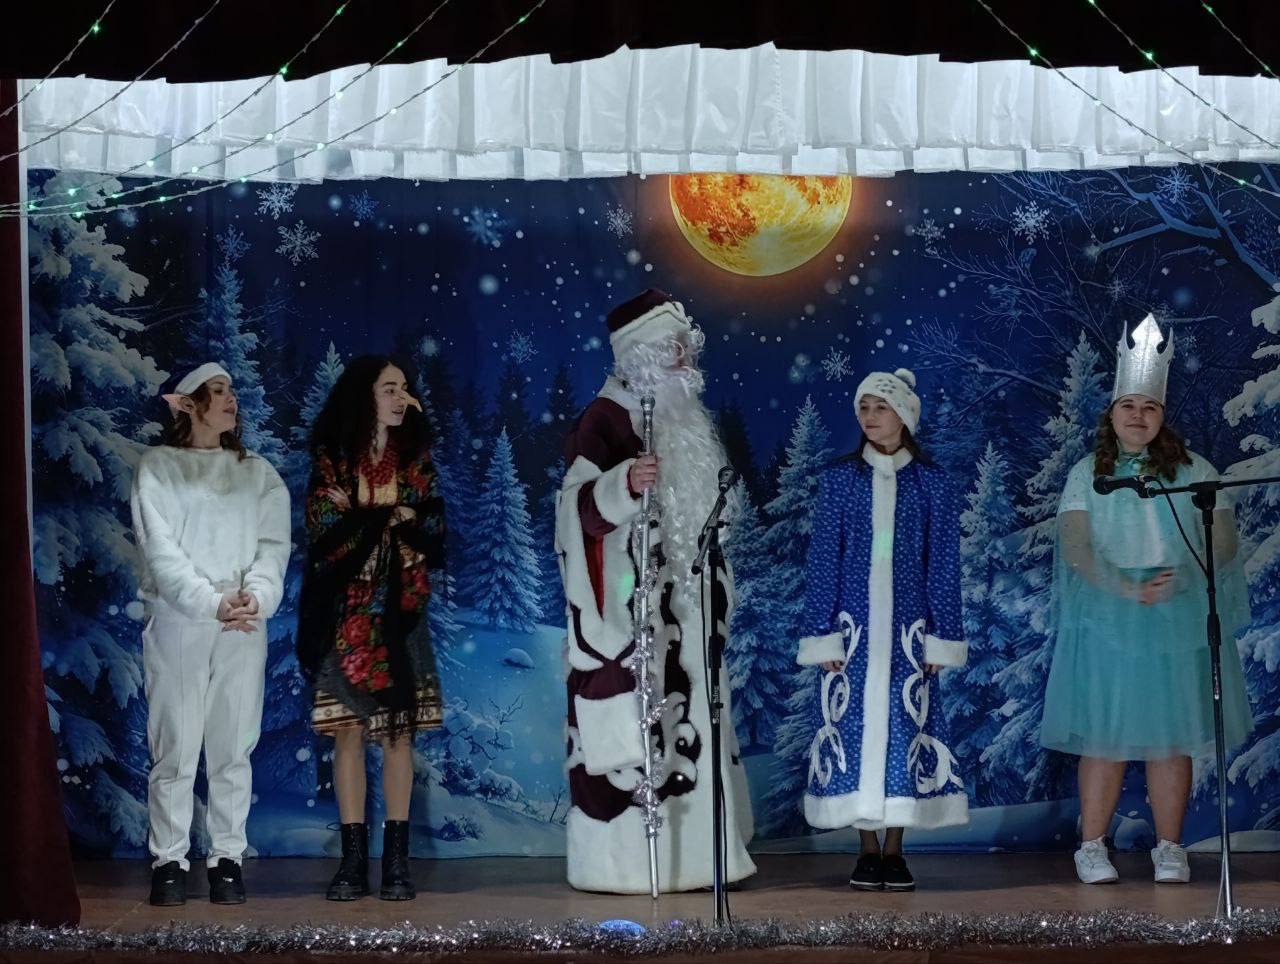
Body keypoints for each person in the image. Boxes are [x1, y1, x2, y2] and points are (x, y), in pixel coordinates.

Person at [554, 288, 756, 893]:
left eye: (687, 348)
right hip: (631, 616)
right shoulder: (604, 419)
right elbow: (572, 514)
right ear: (640, 354)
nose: (686, 360)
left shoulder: (681, 418)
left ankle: (701, 858)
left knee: (693, 727)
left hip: (687, 614)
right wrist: (622, 485)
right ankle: (626, 867)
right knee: (638, 738)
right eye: (674, 349)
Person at [1041, 315, 1255, 885]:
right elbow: (1077, 547)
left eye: (1150, 407)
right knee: (1104, 737)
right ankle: (1092, 846)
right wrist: (1124, 587)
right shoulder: (1088, 474)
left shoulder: (1195, 470)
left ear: (1163, 415)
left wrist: (1180, 578)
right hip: (1109, 617)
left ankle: (1169, 846)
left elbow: (1223, 542)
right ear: (1112, 413)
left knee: (1169, 738)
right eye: (1128, 405)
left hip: (1173, 614)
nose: (1138, 415)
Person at [796, 368, 969, 892]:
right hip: (853, 635)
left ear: (905, 415)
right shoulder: (841, 481)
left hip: (907, 637)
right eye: (864, 408)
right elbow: (823, 560)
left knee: (903, 733)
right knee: (853, 731)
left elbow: (943, 564)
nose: (870, 418)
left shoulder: (932, 484)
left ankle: (894, 850)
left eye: (881, 407)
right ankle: (865, 849)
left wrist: (941, 636)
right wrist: (823, 633)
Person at [131, 362, 291, 906]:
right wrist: (209, 602)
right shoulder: (158, 468)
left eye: (231, 391)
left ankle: (227, 859)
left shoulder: (258, 474)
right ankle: (169, 861)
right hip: (180, 621)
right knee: (176, 746)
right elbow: (161, 552)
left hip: (242, 622)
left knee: (232, 746)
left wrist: (256, 597)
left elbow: (273, 547)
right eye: (217, 391)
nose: (230, 399)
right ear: (187, 404)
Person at [296, 355, 446, 901]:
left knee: (399, 732)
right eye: (389, 388)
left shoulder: (415, 458)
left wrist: (367, 516)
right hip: (349, 611)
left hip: (400, 612)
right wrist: (393, 517)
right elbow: (323, 529)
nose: (401, 398)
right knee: (349, 731)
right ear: (365, 396)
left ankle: (397, 863)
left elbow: (434, 526)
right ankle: (353, 861)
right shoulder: (334, 456)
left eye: (404, 388)